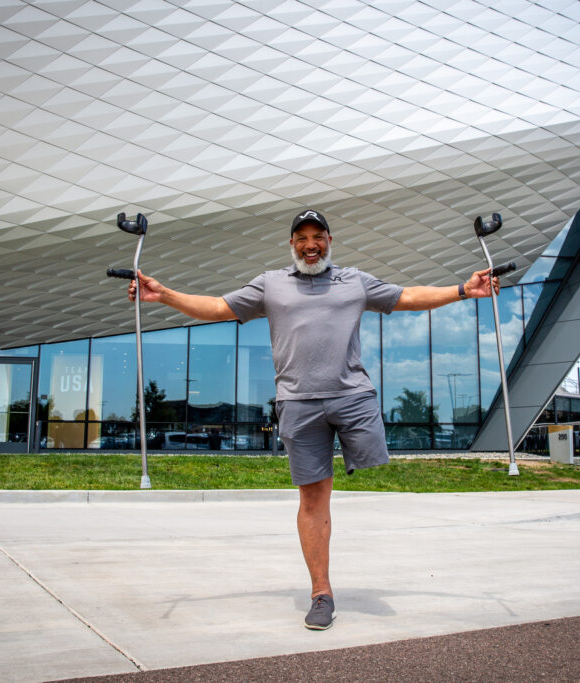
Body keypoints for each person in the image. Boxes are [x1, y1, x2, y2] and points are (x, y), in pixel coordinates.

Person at [127, 208, 499, 630]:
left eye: (318, 235)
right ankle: (321, 593)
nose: (310, 244)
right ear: (291, 245)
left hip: (352, 396)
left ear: (329, 241)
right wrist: (166, 295)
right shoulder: (270, 284)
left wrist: (464, 290)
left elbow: (408, 297)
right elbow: (216, 307)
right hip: (299, 404)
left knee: (378, 466)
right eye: (301, 237)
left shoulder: (354, 281)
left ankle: (360, 465)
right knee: (313, 500)